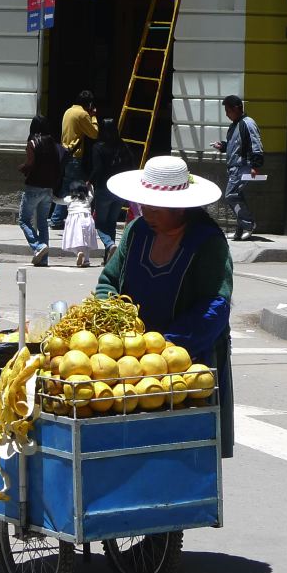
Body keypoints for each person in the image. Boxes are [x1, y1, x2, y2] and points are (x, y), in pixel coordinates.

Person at [96, 155, 234, 458]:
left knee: (182, 453)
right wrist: (109, 323)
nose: (147, 213)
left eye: (155, 208)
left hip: (186, 362)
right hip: (129, 362)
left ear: (180, 207)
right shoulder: (136, 231)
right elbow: (108, 282)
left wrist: (165, 347)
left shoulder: (207, 242)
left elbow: (215, 306)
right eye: (144, 205)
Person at [211, 94, 262, 241]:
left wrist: (255, 165)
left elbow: (255, 144)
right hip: (235, 168)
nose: (226, 114)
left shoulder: (248, 123)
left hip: (242, 167)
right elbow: (236, 146)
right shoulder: (235, 125)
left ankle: (248, 224)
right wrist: (223, 146)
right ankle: (240, 229)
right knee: (237, 197)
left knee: (231, 196)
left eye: (228, 110)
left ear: (236, 108)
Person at [84, 117, 135, 262]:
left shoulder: (98, 147)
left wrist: (89, 181)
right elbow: (131, 164)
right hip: (119, 189)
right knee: (111, 222)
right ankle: (109, 257)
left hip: (104, 188)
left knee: (99, 223)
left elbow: (97, 168)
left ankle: (109, 244)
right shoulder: (122, 145)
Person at [17, 115, 62, 266]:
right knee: (43, 222)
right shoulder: (53, 144)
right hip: (48, 188)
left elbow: (30, 164)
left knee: (23, 220)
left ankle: (38, 246)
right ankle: (43, 259)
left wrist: (22, 168)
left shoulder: (32, 143)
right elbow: (57, 166)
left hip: (33, 187)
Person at [51, 91, 98, 229]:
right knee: (75, 188)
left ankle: (57, 218)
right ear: (89, 104)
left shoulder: (69, 111)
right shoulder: (82, 114)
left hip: (66, 154)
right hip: (75, 156)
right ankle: (60, 218)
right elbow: (94, 134)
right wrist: (94, 117)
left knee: (67, 186)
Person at [60, 183, 97, 267]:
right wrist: (91, 186)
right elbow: (92, 193)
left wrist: (51, 196)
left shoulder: (69, 199)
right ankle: (86, 260)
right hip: (87, 220)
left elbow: (58, 200)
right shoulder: (87, 199)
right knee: (86, 241)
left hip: (75, 221)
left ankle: (78, 253)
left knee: (73, 240)